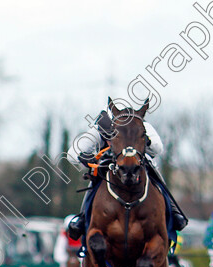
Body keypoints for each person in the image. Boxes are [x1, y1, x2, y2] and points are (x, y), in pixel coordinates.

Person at [65, 100, 188, 243]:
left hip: (138, 165)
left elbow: (158, 148)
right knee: (94, 182)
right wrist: (87, 158)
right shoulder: (99, 129)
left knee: (154, 171)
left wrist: (144, 140)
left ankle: (173, 210)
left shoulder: (140, 124)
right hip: (108, 167)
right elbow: (72, 153)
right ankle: (82, 217)